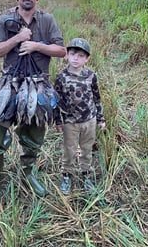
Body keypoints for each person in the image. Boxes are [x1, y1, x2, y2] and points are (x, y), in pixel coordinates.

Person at [0, 0, 66, 197]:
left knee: (35, 133)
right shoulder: (5, 21)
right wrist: (18, 38)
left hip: (39, 83)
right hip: (10, 82)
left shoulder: (47, 20)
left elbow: (61, 51)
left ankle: (28, 172)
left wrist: (37, 45)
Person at [54, 38, 106, 194]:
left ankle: (86, 175)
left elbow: (97, 98)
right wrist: (58, 121)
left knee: (86, 149)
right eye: (73, 54)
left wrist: (101, 119)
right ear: (67, 56)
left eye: (81, 55)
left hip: (89, 121)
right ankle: (67, 176)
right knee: (69, 150)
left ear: (87, 58)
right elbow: (56, 101)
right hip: (70, 122)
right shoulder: (61, 77)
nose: (76, 58)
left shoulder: (91, 76)